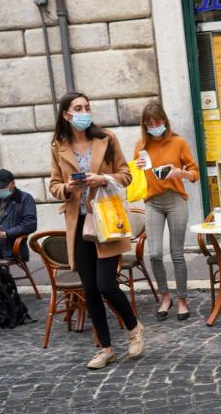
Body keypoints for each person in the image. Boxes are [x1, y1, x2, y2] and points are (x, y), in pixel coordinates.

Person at [49, 91, 144, 369]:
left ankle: (134, 328)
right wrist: (68, 187)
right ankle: (105, 348)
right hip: (78, 225)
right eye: (78, 108)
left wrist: (102, 178)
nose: (84, 112)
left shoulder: (107, 139)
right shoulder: (58, 146)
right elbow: (54, 185)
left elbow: (125, 176)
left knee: (106, 285)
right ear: (66, 115)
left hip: (106, 220)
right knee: (90, 289)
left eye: (87, 107)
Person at [133, 101, 199, 322]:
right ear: (145, 125)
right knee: (154, 253)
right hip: (152, 201)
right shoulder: (140, 146)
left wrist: (179, 173)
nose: (155, 126)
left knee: (177, 252)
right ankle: (165, 296)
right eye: (150, 124)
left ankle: (182, 299)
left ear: (165, 121)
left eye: (158, 122)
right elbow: (134, 177)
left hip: (175, 199)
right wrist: (138, 169)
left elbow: (194, 173)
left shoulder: (178, 142)